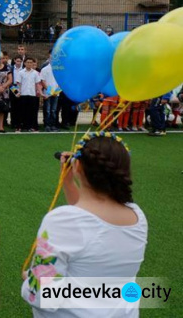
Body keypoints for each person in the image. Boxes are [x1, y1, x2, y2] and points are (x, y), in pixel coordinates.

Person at [22, 133, 147, 315]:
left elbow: (42, 294)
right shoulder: (137, 215)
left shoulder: (62, 221)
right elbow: (88, 219)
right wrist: (67, 181)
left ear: (77, 165)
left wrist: (28, 281)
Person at [17, 57, 41, 133]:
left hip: (32, 95)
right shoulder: (21, 72)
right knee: (21, 111)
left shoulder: (35, 73)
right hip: (23, 94)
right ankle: (19, 127)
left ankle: (31, 127)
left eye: (31, 62)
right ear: (24, 63)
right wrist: (18, 92)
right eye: (28, 62)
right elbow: (18, 84)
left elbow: (37, 84)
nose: (29, 64)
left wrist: (40, 92)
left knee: (32, 112)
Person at [39, 57, 60, 132]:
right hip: (47, 93)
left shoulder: (58, 69)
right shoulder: (45, 69)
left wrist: (56, 91)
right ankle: (47, 125)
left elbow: (60, 82)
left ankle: (53, 125)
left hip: (56, 93)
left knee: (54, 110)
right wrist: (50, 91)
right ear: (49, 60)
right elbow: (43, 81)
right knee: (47, 110)